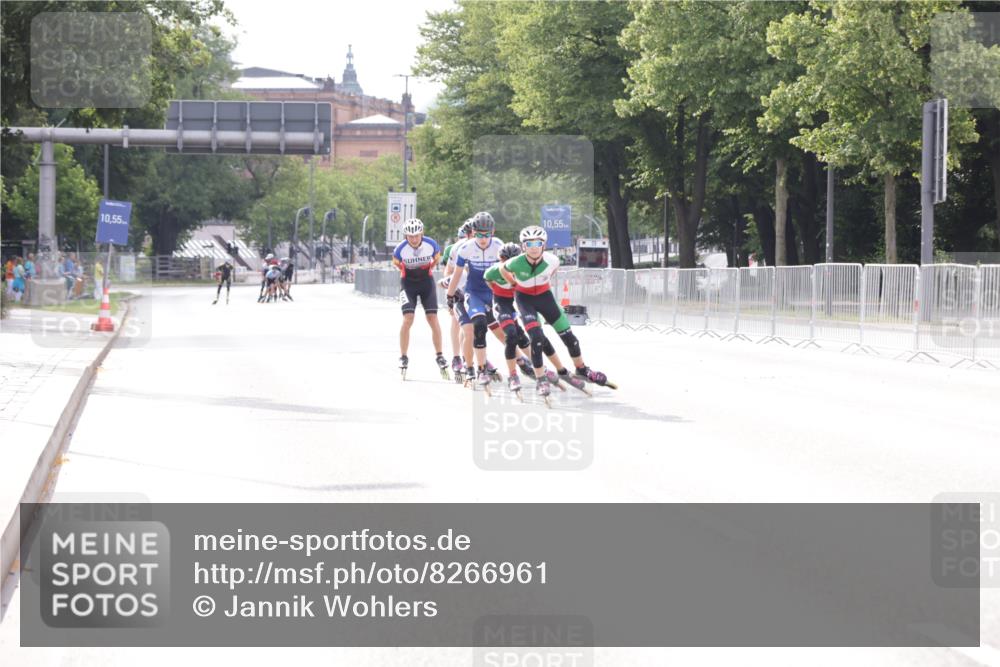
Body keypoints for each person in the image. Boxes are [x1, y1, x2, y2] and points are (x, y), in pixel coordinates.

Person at [500, 225, 610, 396]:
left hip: (545, 297)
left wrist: (541, 283)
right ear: (523, 247)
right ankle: (541, 379)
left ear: (544, 244)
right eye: (529, 244)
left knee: (570, 338)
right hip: (525, 299)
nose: (534, 247)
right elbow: (502, 269)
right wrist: (514, 284)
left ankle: (581, 368)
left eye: (538, 243)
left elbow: (551, 273)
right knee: (536, 338)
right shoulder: (515, 262)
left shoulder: (553, 260)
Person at [484, 243, 587, 394]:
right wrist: (498, 294)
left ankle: (561, 371)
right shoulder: (493, 271)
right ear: (500, 259)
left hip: (521, 302)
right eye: (504, 259)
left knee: (540, 337)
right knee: (511, 336)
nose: (508, 263)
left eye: (512, 259)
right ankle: (513, 376)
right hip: (504, 304)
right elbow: (487, 281)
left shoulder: (523, 267)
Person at [445, 211, 505, 388]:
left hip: (493, 292)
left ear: (492, 232)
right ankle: (477, 369)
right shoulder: (466, 248)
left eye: (486, 235)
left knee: (506, 329)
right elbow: (456, 275)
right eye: (479, 234)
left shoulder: (499, 246)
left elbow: (508, 271)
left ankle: (524, 363)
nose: (483, 239)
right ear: (473, 233)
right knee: (477, 326)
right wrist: (449, 295)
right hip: (474, 293)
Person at [392, 218, 446, 377]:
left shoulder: (431, 244)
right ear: (406, 236)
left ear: (422, 233)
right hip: (407, 284)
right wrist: (408, 271)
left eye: (416, 235)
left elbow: (437, 258)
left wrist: (427, 269)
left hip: (426, 283)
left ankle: (440, 355)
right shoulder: (400, 249)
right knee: (408, 319)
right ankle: (403, 356)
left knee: (432, 318)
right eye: (410, 236)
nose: (414, 239)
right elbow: (397, 263)